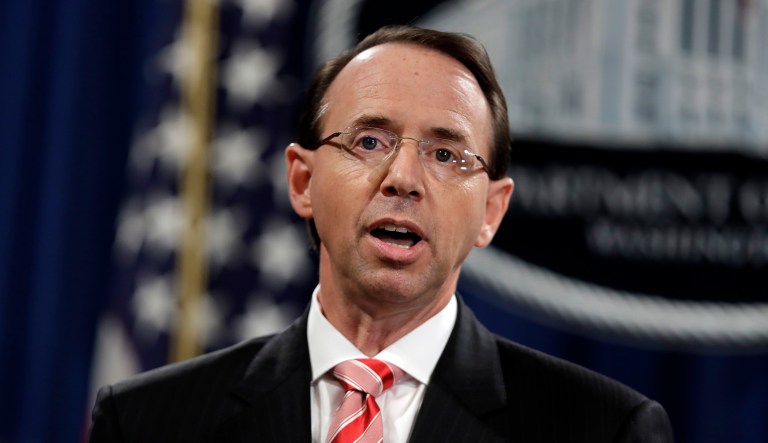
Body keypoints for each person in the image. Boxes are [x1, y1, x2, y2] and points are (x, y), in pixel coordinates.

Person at [88, 25, 674, 442]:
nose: (404, 179)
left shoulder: (602, 428)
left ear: (491, 211)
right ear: (303, 181)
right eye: (369, 142)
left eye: (447, 154)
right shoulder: (148, 420)